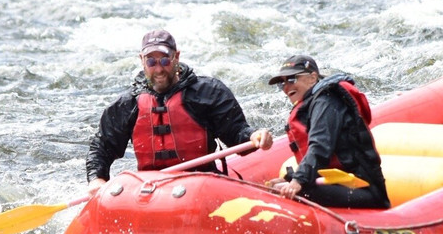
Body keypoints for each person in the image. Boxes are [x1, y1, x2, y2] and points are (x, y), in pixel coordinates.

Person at [86, 30, 272, 189]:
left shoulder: (208, 92)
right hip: (153, 189)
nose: (159, 70)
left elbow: (236, 133)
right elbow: (102, 147)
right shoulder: (128, 104)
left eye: (165, 61)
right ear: (142, 61)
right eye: (151, 62)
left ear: (176, 57)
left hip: (203, 183)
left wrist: (253, 136)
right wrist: (96, 179)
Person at [268, 54, 390, 209]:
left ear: (313, 78)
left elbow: (320, 147)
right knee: (280, 187)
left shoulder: (327, 101)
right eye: (281, 84)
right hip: (341, 183)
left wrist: (298, 181)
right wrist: (289, 179)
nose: (286, 87)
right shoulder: (313, 103)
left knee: (301, 192)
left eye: (291, 79)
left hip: (365, 189)